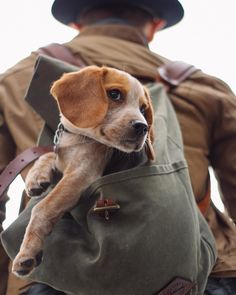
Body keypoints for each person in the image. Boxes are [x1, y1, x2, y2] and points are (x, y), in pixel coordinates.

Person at [0, 0, 236, 294]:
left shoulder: (18, 79)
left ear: (76, 23)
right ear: (155, 25)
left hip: (53, 276)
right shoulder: (206, 88)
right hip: (192, 277)